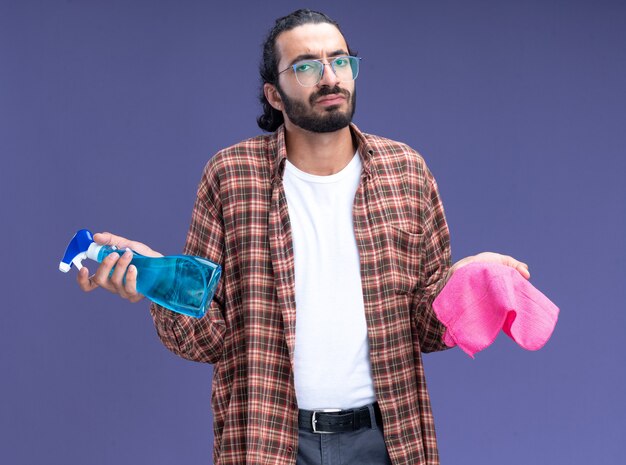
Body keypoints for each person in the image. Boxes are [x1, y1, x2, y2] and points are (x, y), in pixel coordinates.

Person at [77, 9, 530, 465]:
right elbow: (208, 339)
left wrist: (468, 281)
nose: (330, 77)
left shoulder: (406, 171)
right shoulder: (231, 177)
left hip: (389, 440)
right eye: (307, 66)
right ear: (274, 94)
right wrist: (158, 282)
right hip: (269, 438)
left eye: (340, 61)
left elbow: (426, 328)